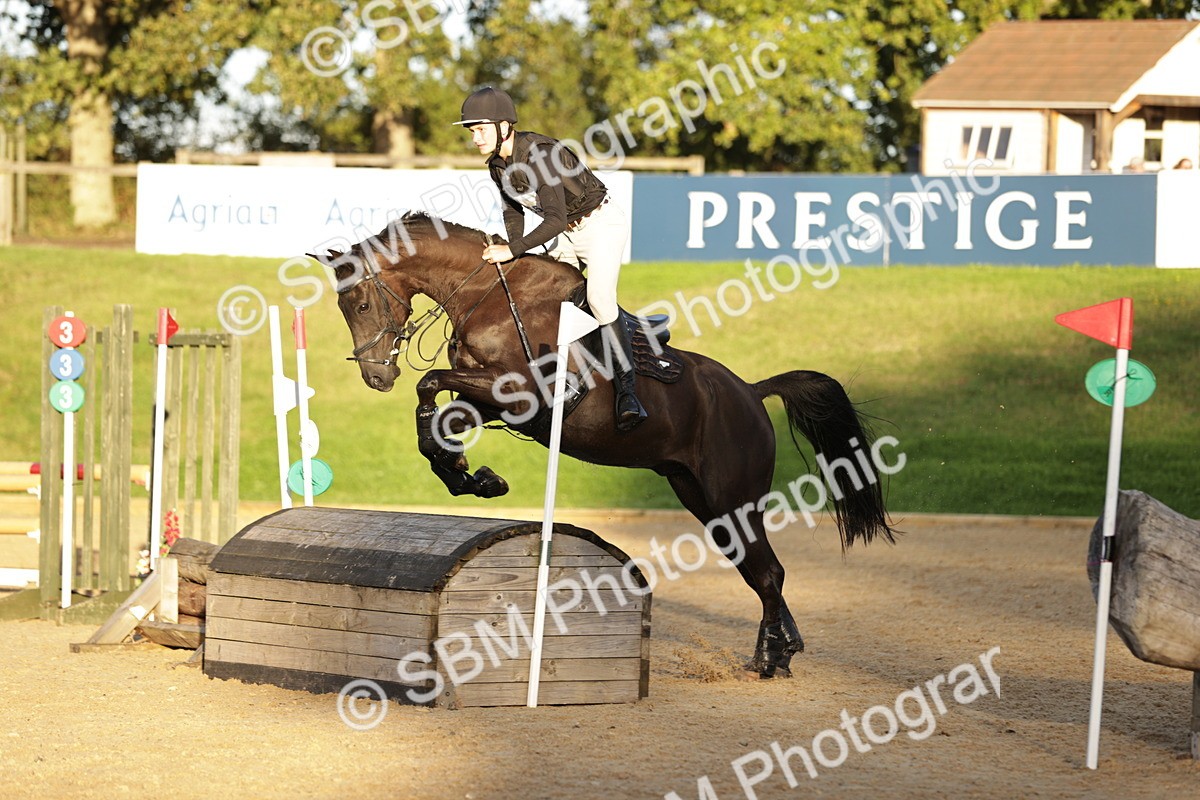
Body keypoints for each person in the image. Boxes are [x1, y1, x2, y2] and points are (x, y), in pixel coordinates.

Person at [453, 86, 646, 431]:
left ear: (503, 126)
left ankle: (628, 393)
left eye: (480, 129)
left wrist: (513, 250)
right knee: (550, 296)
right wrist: (515, 252)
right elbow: (513, 211)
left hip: (599, 224)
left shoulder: (540, 155)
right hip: (566, 232)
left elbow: (554, 219)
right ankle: (568, 374)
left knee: (600, 300)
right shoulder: (497, 165)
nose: (475, 138)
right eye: (472, 131)